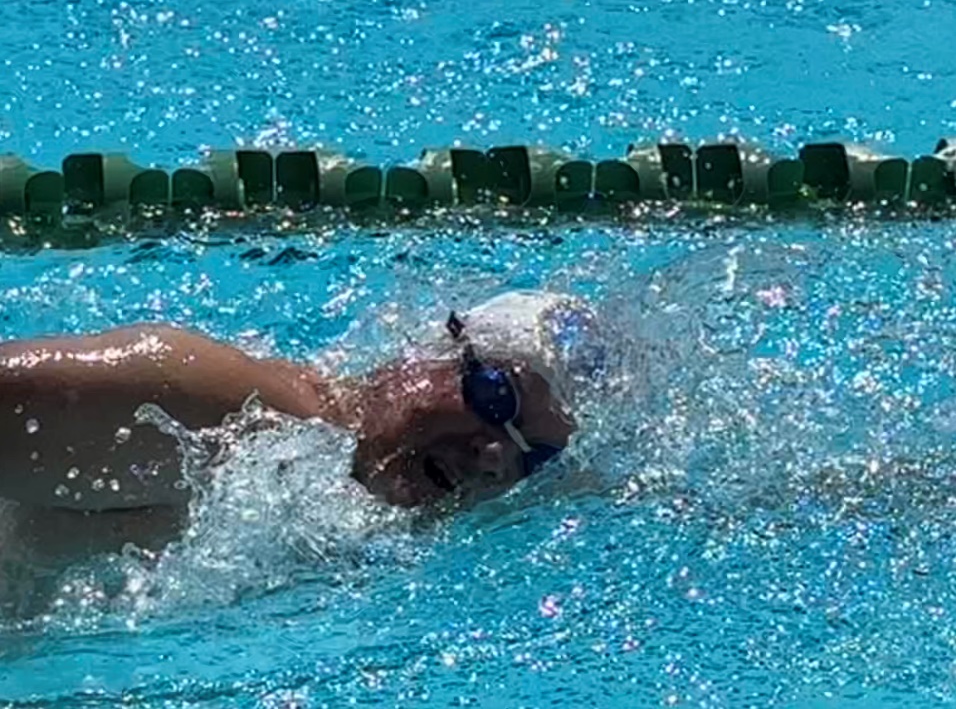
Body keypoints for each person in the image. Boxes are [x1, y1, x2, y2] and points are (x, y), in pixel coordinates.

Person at [0, 290, 607, 522]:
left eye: (538, 457)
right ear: (434, 351)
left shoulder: (364, 523)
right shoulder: (213, 407)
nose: (496, 455)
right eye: (495, 399)